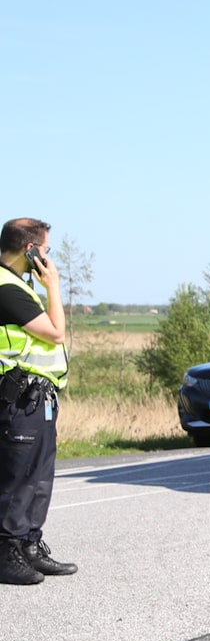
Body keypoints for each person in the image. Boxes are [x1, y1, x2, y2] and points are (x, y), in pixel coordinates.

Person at [0, 219, 77, 585]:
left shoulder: (18, 285)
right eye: (44, 250)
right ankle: (5, 551)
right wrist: (54, 287)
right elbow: (56, 331)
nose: (47, 257)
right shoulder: (4, 287)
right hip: (15, 399)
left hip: (37, 397)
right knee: (17, 478)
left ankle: (29, 544)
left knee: (38, 477)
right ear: (29, 250)